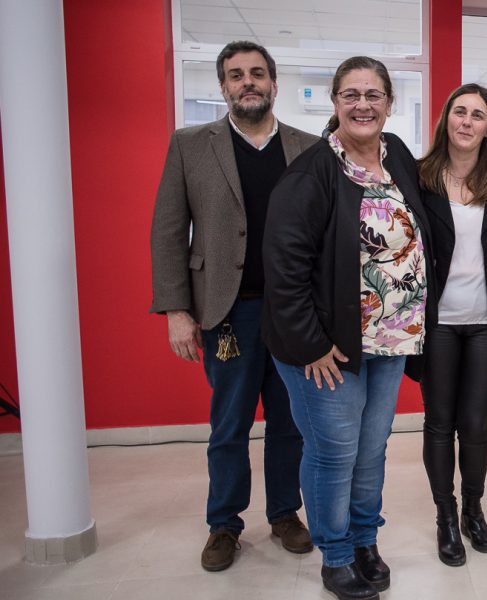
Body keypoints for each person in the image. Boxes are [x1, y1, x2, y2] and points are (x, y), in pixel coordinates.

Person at [262, 56, 435, 600]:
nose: (363, 105)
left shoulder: (397, 155)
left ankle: (364, 540)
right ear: (335, 102)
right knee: (334, 452)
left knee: (371, 449)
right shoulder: (311, 173)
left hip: (391, 340)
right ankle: (335, 555)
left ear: (389, 103)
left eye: (373, 94)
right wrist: (311, 344)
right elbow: (284, 268)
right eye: (351, 95)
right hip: (329, 348)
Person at [149, 40, 317, 572]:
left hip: (293, 312)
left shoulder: (310, 148)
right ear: (223, 86)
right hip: (228, 313)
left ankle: (285, 513)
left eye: (257, 73)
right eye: (237, 75)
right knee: (229, 425)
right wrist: (177, 310)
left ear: (274, 83)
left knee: (290, 422)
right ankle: (223, 523)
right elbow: (168, 231)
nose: (248, 82)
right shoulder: (190, 145)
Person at [413, 83, 487, 566]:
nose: (467, 122)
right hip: (436, 322)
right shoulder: (419, 178)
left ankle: (474, 509)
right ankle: (445, 516)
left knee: (475, 425)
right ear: (446, 120)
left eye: (478, 115)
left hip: (484, 324)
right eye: (460, 112)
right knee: (439, 423)